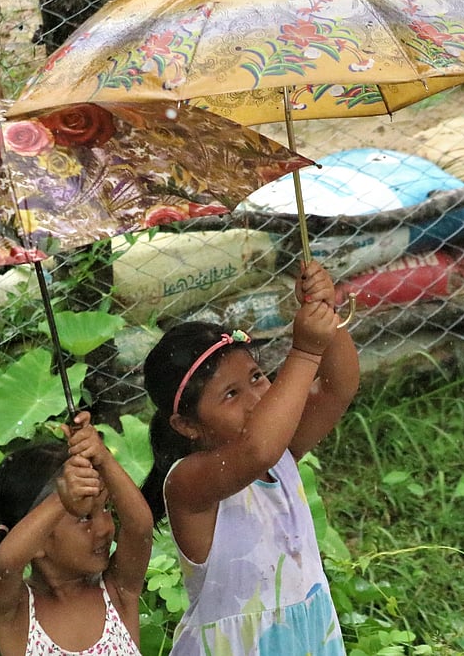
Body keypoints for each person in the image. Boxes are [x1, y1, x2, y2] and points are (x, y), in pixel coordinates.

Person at [140, 260, 359, 655]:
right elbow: (256, 450)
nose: (256, 398)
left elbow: (337, 389)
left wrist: (326, 311)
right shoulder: (189, 483)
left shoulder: (281, 455)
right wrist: (307, 351)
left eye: (257, 377)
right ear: (187, 426)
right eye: (231, 394)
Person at [0, 412, 153, 656]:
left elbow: (140, 527)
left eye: (107, 508)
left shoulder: (118, 591)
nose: (105, 528)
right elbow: (6, 563)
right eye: (84, 517)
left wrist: (102, 457)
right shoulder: (16, 611)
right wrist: (62, 500)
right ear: (37, 540)